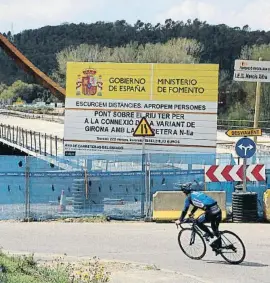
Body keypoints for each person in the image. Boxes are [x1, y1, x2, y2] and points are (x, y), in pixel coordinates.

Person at [175, 183, 222, 250]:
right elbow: (196, 204)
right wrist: (192, 212)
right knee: (215, 229)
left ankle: (210, 235)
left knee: (198, 222)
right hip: (218, 210)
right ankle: (219, 246)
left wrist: (180, 220)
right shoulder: (197, 193)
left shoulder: (188, 198)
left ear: (184, 191)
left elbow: (185, 210)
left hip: (211, 212)